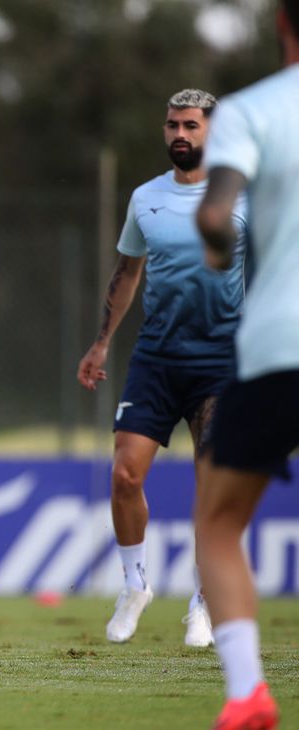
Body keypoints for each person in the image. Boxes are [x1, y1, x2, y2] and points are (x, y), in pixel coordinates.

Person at [77, 89, 247, 648]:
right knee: (125, 474)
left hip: (222, 358)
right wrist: (102, 343)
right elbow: (127, 275)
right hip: (155, 358)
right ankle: (135, 586)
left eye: (191, 126)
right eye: (173, 125)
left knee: (211, 489)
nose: (180, 134)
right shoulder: (146, 198)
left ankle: (202, 599)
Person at [193, 2, 299, 726]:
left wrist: (220, 249)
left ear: (282, 24)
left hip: (279, 346)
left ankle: (247, 694)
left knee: (219, 523)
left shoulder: (253, 109)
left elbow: (214, 213)